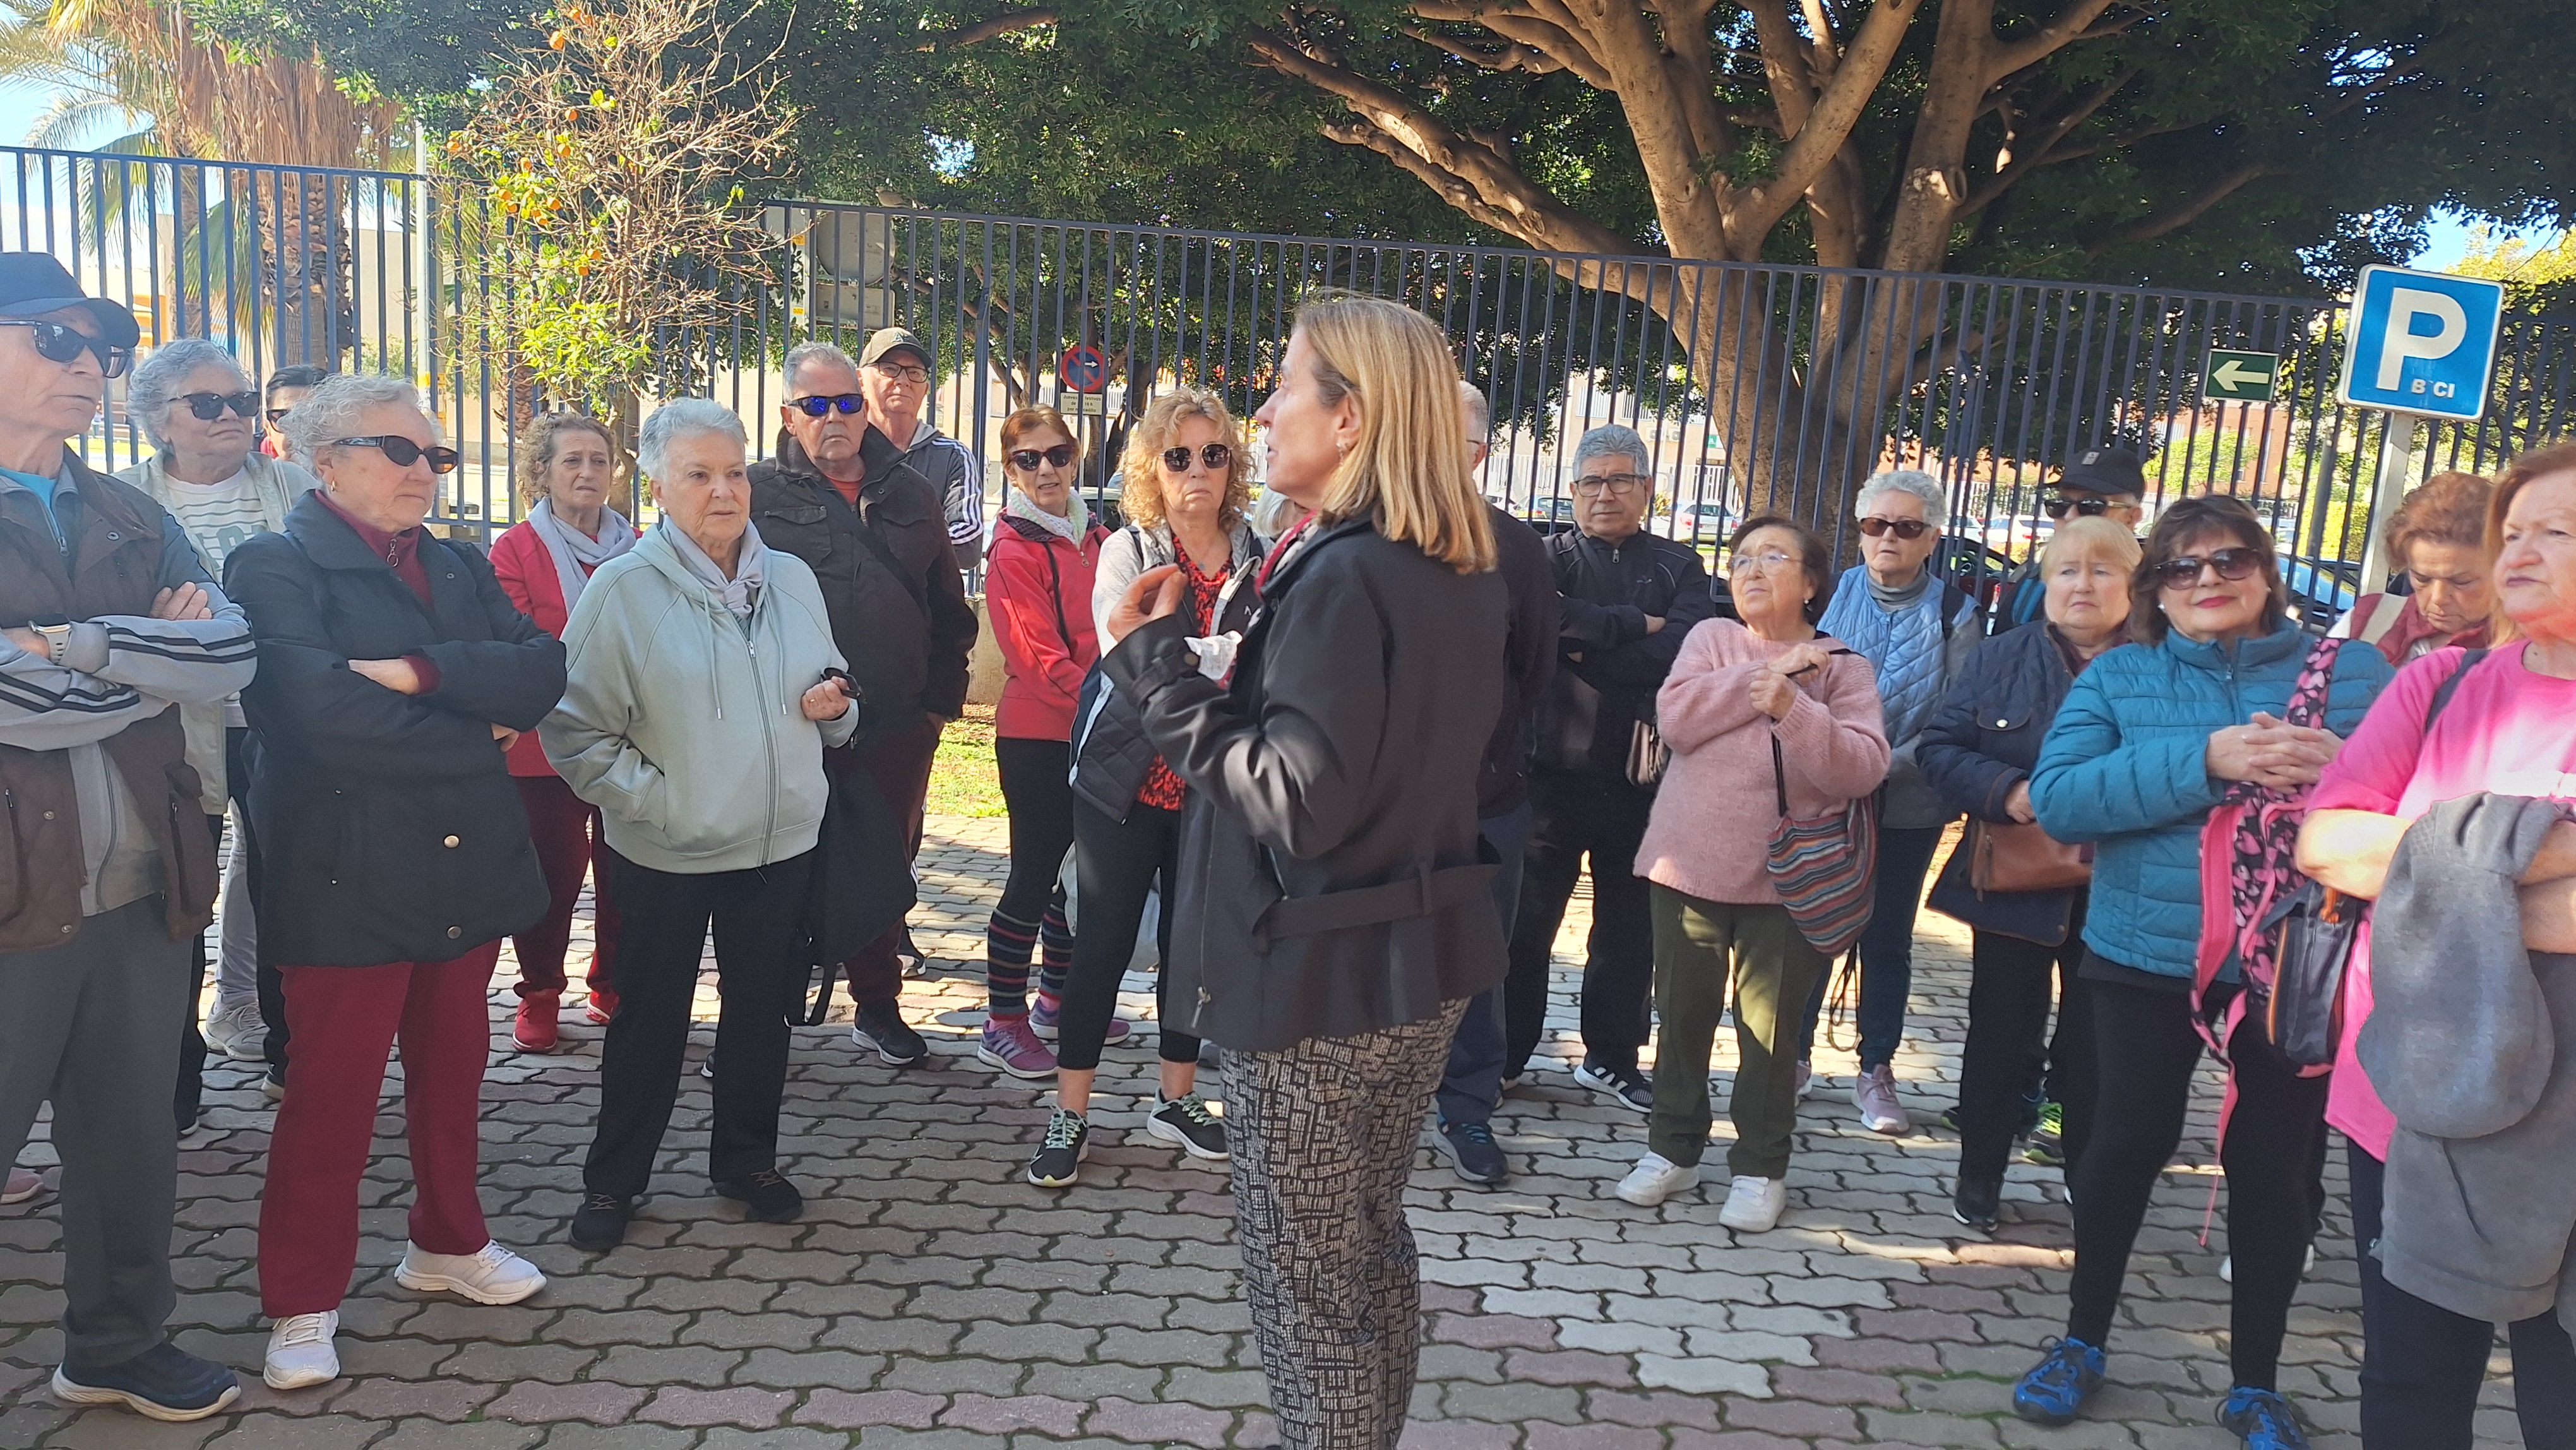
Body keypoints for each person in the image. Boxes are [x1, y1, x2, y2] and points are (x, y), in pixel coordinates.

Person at [1099, 290, 1506, 1450]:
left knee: (1310, 1283)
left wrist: (1153, 670)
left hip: (1317, 982)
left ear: (1358, 419)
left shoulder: (1345, 574)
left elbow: (1297, 800)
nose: (1264, 411)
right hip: (1414, 957)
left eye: (1286, 387)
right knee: (1368, 1247)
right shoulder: (1464, 563)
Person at [2014, 494, 2392, 1447]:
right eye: (2182, 568)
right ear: (2158, 591)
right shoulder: (2120, 677)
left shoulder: (2354, 671)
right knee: (2121, 1148)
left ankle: (2255, 1383)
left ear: (2266, 573)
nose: (2208, 581)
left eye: (2229, 561)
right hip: (2143, 955)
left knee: (2274, 1170)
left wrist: (2342, 766)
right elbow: (2059, 801)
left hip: (2297, 960)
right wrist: (2205, 759)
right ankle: (2081, 1342)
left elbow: (2418, 797)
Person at [230, 374, 567, 1391]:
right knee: (330, 1097)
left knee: (455, 1070)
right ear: (322, 460)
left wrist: (418, 673)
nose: (423, 471)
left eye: (436, 456)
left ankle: (448, 1242)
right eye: (399, 450)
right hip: (346, 876)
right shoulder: (275, 565)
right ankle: (300, 1300)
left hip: (464, 862)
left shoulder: (460, 564)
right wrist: (476, 716)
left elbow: (544, 669)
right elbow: (314, 713)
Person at [0, 253, 255, 1422]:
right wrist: (141, 665)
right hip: (12, 898)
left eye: (99, 344)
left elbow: (228, 654)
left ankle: (116, 1345)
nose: (89, 364)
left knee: (128, 1144)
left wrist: (79, 651)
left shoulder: (128, 512)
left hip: (143, 883)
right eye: (54, 340)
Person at [2297, 442, 2576, 1450]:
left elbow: (2384, 859)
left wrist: (2439, 871)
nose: (2522, 550)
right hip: (2417, 1098)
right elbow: (2325, 842)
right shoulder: (2441, 688)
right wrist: (2540, 847)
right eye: (2517, 529)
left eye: (2559, 530)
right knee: (2412, 1388)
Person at [542, 398, 859, 1251]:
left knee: (762, 1016)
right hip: (665, 851)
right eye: (698, 475)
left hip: (778, 843)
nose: (724, 492)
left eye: (733, 472)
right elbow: (572, 731)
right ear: (656, 486)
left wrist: (834, 710)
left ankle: (746, 1162)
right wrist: (660, 801)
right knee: (650, 1021)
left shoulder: (790, 579)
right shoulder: (622, 592)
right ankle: (615, 1182)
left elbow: (831, 695)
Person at [1617, 517, 1888, 1228]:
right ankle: (1672, 1149)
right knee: (1680, 1017)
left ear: (1811, 582)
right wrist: (1759, 678)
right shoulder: (1710, 640)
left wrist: (1795, 707)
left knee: (1766, 1034)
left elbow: (1863, 767)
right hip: (1687, 867)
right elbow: (1676, 718)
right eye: (1741, 559)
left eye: (1774, 557)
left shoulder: (1842, 666)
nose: (1752, 570)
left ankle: (1761, 1165)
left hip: (1786, 879)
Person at [1030, 386, 1260, 1186]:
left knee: (1190, 947)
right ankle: (1072, 1111)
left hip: (1208, 782)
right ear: (1152, 469)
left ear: (1233, 466)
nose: (1197, 470)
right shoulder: (1130, 549)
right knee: (1099, 943)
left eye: (1213, 454)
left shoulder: (1257, 550)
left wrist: (1193, 651)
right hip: (1122, 779)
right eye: (1179, 456)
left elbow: (1250, 662)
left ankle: (1176, 1098)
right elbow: (1128, 651)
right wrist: (1214, 652)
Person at [748, 340, 976, 1065]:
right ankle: (760, 1018)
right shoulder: (755, 493)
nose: (834, 418)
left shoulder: (910, 490)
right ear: (789, 414)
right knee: (777, 869)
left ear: (864, 404)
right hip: (788, 727)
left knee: (884, 868)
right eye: (815, 406)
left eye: (846, 402)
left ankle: (877, 1005)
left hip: (896, 725)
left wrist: (937, 710)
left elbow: (948, 608)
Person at [1918, 515, 2139, 1229]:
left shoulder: (2164, 664)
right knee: (1999, 1033)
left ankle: (2090, 1172)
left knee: (2099, 1040)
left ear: (2135, 585)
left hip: (2121, 885)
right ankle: (1979, 1173)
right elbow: (1941, 746)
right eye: (2067, 570)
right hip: (2015, 880)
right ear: (2045, 581)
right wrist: (2005, 792)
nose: (2082, 585)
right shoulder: (1999, 656)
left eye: (2103, 570)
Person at [117, 337, 319, 1112]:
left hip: (280, 723)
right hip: (172, 733)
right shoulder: (122, 500)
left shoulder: (296, 487)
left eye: (240, 399)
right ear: (159, 421)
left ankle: (291, 1060)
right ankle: (175, 1089)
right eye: (208, 403)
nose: (232, 414)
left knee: (292, 896)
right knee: (179, 901)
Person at [1506, 422, 1714, 1112]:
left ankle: (1611, 1058)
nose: (1605, 494)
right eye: (1591, 481)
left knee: (1629, 930)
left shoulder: (1679, 566)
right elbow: (1545, 626)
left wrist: (1595, 641)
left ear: (1647, 491)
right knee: (1526, 925)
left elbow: (1683, 650)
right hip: (1548, 775)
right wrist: (1635, 625)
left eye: (1620, 480)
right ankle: (1505, 1055)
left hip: (1641, 777)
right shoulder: (1544, 557)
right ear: (1572, 492)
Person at [1803, 468, 1981, 1133]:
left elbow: (1957, 712)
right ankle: (1791, 1056)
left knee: (1887, 937)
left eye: (1906, 527)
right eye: (1875, 524)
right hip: (1826, 792)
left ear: (1931, 537)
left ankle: (1875, 1067)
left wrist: (1881, 765)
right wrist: (1832, 759)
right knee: (1813, 925)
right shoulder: (1828, 593)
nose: (1888, 539)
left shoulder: (1955, 613)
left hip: (1909, 799)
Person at [1430, 381, 1556, 1187]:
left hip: (1490, 800)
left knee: (1480, 958)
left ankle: (1468, 1107)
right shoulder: (1373, 535)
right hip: (1386, 809)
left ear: (1474, 455)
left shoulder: (1517, 549)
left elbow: (1535, 671)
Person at [488, 412, 635, 1052]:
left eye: (598, 461)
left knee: (629, 870)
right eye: (571, 460)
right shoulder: (514, 549)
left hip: (631, 736)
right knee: (552, 874)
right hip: (543, 742)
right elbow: (521, 647)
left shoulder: (643, 548)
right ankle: (541, 992)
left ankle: (615, 985)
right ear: (541, 471)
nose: (587, 472)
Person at [977, 404, 1106, 1079]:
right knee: (1033, 874)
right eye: (1029, 459)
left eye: (1057, 454)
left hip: (1095, 730)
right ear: (1010, 469)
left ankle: (1055, 999)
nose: (1047, 469)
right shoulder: (1014, 550)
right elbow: (1038, 657)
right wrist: (1112, 703)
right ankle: (1002, 1020)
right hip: (1038, 735)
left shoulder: (1099, 535)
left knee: (1076, 874)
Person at [2329, 470, 2496, 662]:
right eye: (2422, 579)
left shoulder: (2527, 649)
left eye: (2461, 582)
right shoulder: (2368, 618)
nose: (2438, 598)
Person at [859, 326, 984, 573]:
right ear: (860, 381)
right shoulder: (846, 451)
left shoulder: (952, 457)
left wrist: (883, 547)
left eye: (915, 372)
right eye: (890, 368)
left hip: (926, 608)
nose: (903, 380)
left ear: (925, 390)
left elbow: (969, 543)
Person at [2001, 445, 2148, 626]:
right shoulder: (2032, 583)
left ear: (2131, 517)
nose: (2070, 516)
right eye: (2060, 504)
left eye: (2091, 505)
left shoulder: (2166, 589)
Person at [261, 364, 327, 460]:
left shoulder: (350, 469)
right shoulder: (241, 470)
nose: (299, 433)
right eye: (284, 418)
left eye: (313, 417)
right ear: (267, 427)